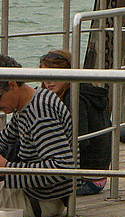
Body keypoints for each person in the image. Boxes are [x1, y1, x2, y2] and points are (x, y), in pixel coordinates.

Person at [0, 54, 74, 217]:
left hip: (43, 200)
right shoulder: (29, 102)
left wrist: (7, 169)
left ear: (12, 85)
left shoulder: (40, 114)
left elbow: (63, 168)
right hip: (34, 193)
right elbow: (4, 139)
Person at [39, 49, 111, 196]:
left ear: (68, 73)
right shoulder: (87, 91)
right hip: (98, 175)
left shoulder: (75, 99)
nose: (48, 81)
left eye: (54, 75)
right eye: (44, 76)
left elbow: (78, 143)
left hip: (85, 178)